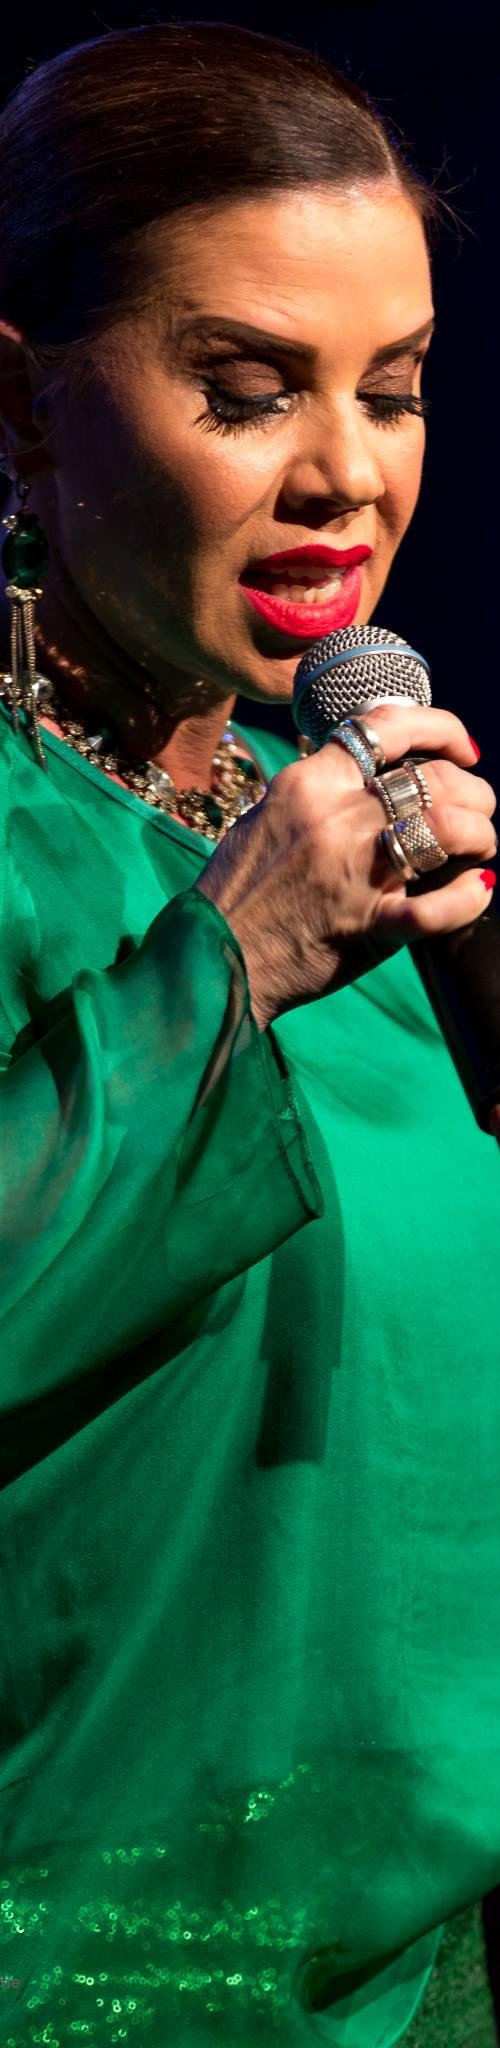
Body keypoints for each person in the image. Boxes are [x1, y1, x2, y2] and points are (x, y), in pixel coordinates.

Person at [0, 21, 499, 2048]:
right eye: (247, 387)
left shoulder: (353, 822)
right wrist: (223, 966)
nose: (345, 478)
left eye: (393, 389)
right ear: (22, 408)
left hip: (419, 1973)